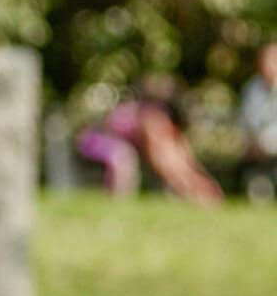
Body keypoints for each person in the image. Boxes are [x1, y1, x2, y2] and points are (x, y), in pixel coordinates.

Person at [74, 74, 223, 204]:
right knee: (123, 155)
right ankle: (117, 199)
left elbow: (181, 160)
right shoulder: (149, 119)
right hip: (94, 140)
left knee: (125, 154)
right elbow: (160, 161)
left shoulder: (162, 123)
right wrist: (185, 186)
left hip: (112, 142)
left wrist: (197, 181)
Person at [239, 40, 277, 202]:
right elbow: (247, 123)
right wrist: (250, 144)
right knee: (259, 196)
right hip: (259, 154)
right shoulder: (251, 88)